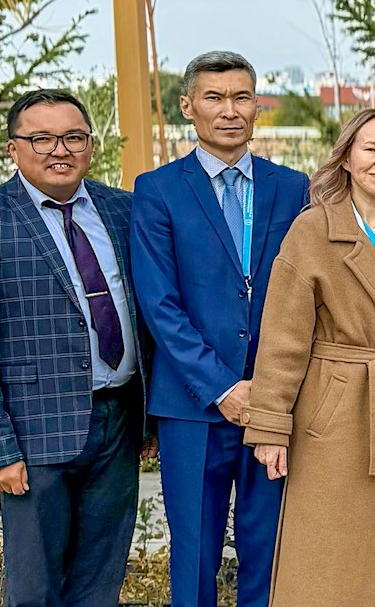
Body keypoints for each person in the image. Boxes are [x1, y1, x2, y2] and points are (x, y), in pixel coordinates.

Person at [0, 88, 143, 607]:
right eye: (41, 138)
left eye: (73, 137)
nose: (60, 149)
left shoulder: (124, 210)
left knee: (101, 582)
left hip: (118, 422)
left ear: (90, 144)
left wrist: (151, 421)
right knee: (35, 589)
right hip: (33, 435)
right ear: (13, 149)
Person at [129, 52, 309, 607]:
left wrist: (268, 390)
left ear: (257, 106)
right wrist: (224, 388)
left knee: (269, 548)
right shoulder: (157, 189)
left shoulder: (292, 187)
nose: (229, 111)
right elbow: (160, 305)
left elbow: (302, 294)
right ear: (188, 107)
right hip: (194, 407)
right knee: (195, 555)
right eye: (214, 97)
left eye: (241, 97)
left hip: (274, 403)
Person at [243, 109, 375, 606]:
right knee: (328, 548)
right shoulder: (313, 230)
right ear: (347, 158)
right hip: (336, 411)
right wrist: (270, 427)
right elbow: (283, 338)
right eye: (371, 150)